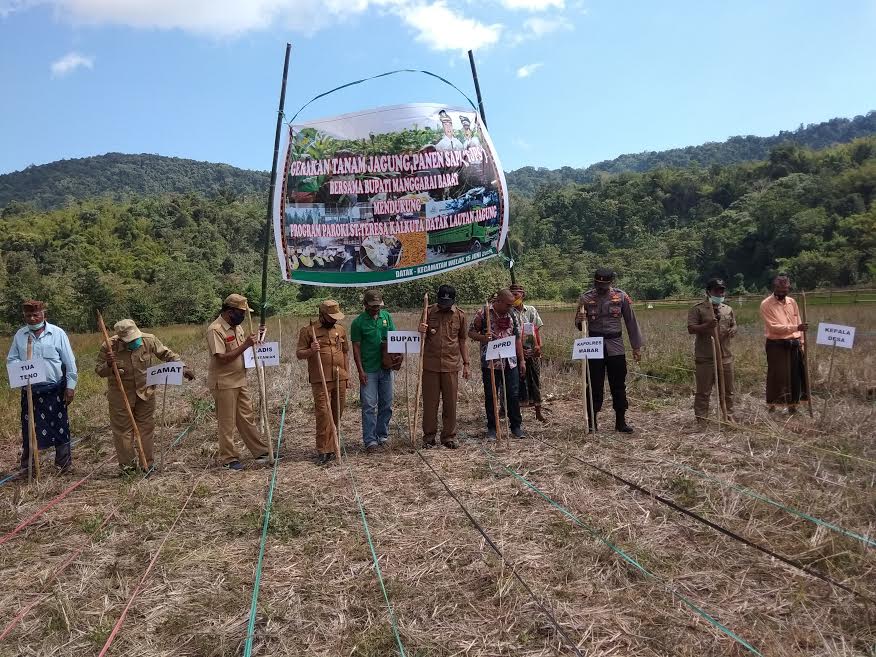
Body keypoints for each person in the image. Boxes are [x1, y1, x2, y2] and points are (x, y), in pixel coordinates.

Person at [96, 319, 194, 473]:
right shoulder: (109, 347)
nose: (134, 342)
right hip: (120, 395)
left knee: (146, 428)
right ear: (120, 338)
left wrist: (182, 367)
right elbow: (99, 370)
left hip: (145, 392)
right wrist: (109, 364)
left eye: (135, 339)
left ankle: (146, 465)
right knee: (123, 431)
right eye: (129, 341)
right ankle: (128, 468)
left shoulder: (149, 340)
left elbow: (167, 355)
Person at [6, 300, 77, 474]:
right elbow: (12, 359)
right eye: (28, 315)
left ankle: (63, 466)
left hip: (54, 389)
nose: (32, 318)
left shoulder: (57, 333)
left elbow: (69, 362)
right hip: (31, 391)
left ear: (43, 314)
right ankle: (28, 468)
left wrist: (70, 386)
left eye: (35, 315)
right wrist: (23, 369)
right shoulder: (20, 335)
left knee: (60, 427)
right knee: (30, 429)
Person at [206, 294, 271, 471]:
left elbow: (246, 348)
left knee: (247, 418)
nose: (243, 316)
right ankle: (229, 458)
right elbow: (221, 358)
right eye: (241, 313)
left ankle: (260, 452)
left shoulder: (238, 328)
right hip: (224, 382)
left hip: (240, 379)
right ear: (230, 311)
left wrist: (257, 340)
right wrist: (245, 345)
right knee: (227, 422)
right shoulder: (216, 329)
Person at [574, 268, 644, 433]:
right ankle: (592, 422)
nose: (601, 287)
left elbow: (631, 322)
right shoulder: (585, 298)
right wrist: (580, 320)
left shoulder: (621, 297)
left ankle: (621, 421)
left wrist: (636, 347)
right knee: (594, 385)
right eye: (598, 284)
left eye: (604, 284)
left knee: (618, 385)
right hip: (593, 345)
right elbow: (578, 324)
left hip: (616, 345)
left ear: (611, 282)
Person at [296, 300, 350, 464]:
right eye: (331, 317)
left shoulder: (340, 329)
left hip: (340, 376)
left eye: (336, 317)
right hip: (321, 379)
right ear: (322, 315)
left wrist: (347, 375)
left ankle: (334, 446)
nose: (334, 320)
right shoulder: (308, 331)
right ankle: (323, 450)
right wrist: (311, 350)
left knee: (336, 412)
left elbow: (345, 352)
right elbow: (299, 354)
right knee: (323, 414)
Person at [469, 289, 526, 440]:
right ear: (499, 301)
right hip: (490, 363)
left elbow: (518, 338)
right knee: (491, 395)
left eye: (511, 305)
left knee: (513, 395)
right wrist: (483, 337)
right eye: (507, 304)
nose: (510, 307)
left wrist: (522, 360)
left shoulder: (513, 314)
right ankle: (492, 428)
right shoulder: (483, 313)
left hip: (510, 362)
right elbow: (471, 332)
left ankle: (516, 426)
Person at [419, 284, 470, 448]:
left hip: (451, 365)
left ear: (453, 301)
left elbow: (462, 340)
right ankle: (429, 437)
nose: (444, 305)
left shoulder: (460, 315)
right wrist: (420, 330)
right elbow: (420, 337)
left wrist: (466, 363)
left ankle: (448, 437)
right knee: (430, 404)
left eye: (448, 302)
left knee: (450, 403)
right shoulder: (428, 311)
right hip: (430, 366)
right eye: (442, 301)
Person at [687, 279, 737, 425]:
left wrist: (733, 330)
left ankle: (729, 416)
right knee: (703, 391)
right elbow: (691, 329)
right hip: (706, 357)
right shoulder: (698, 309)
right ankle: (702, 419)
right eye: (717, 291)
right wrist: (706, 326)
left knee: (728, 390)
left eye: (722, 290)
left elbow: (734, 324)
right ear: (708, 292)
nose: (720, 293)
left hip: (725, 356)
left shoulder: (727, 309)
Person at [351, 290, 396, 452]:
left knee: (387, 403)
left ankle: (382, 435)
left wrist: (396, 359)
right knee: (369, 405)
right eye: (372, 306)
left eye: (378, 306)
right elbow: (356, 349)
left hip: (386, 368)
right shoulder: (358, 323)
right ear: (365, 305)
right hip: (368, 369)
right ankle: (370, 440)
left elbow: (394, 338)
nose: (376, 309)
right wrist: (360, 371)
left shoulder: (387, 317)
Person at [760, 274, 808, 413]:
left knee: (795, 375)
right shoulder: (766, 304)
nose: (782, 291)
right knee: (778, 375)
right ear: (774, 287)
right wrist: (796, 328)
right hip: (777, 344)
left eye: (785, 289)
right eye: (779, 288)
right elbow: (773, 327)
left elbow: (799, 322)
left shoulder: (792, 302)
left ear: (788, 288)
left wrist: (802, 342)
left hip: (795, 343)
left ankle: (793, 405)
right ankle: (772, 405)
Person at [510, 283, 546, 422]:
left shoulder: (530, 310)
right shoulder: (509, 312)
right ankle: (515, 414)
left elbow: (536, 330)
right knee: (516, 383)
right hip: (515, 352)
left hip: (532, 351)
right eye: (511, 295)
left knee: (535, 382)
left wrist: (538, 347)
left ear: (522, 295)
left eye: (516, 295)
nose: (513, 298)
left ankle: (538, 412)